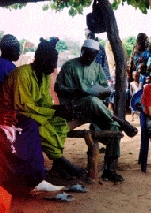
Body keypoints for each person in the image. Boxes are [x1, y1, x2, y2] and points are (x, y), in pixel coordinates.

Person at [0, 37, 64, 196]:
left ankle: (35, 179)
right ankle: (2, 184)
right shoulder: (21, 74)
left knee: (29, 124)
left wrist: (3, 114)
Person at [55, 39, 138, 183]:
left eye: (93, 56)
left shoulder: (97, 67)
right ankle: (119, 119)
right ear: (82, 51)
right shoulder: (70, 66)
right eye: (87, 55)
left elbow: (104, 86)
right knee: (91, 100)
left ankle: (109, 169)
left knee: (113, 128)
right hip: (76, 106)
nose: (89, 58)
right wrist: (77, 91)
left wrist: (104, 92)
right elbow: (59, 88)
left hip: (95, 108)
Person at [1, 38, 86, 180]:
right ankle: (60, 161)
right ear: (40, 60)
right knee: (40, 127)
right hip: (14, 114)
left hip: (34, 112)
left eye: (55, 61)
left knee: (60, 122)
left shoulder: (45, 76)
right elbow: (23, 105)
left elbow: (45, 102)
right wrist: (54, 110)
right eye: (51, 62)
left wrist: (59, 109)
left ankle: (57, 165)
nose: (53, 66)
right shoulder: (22, 74)